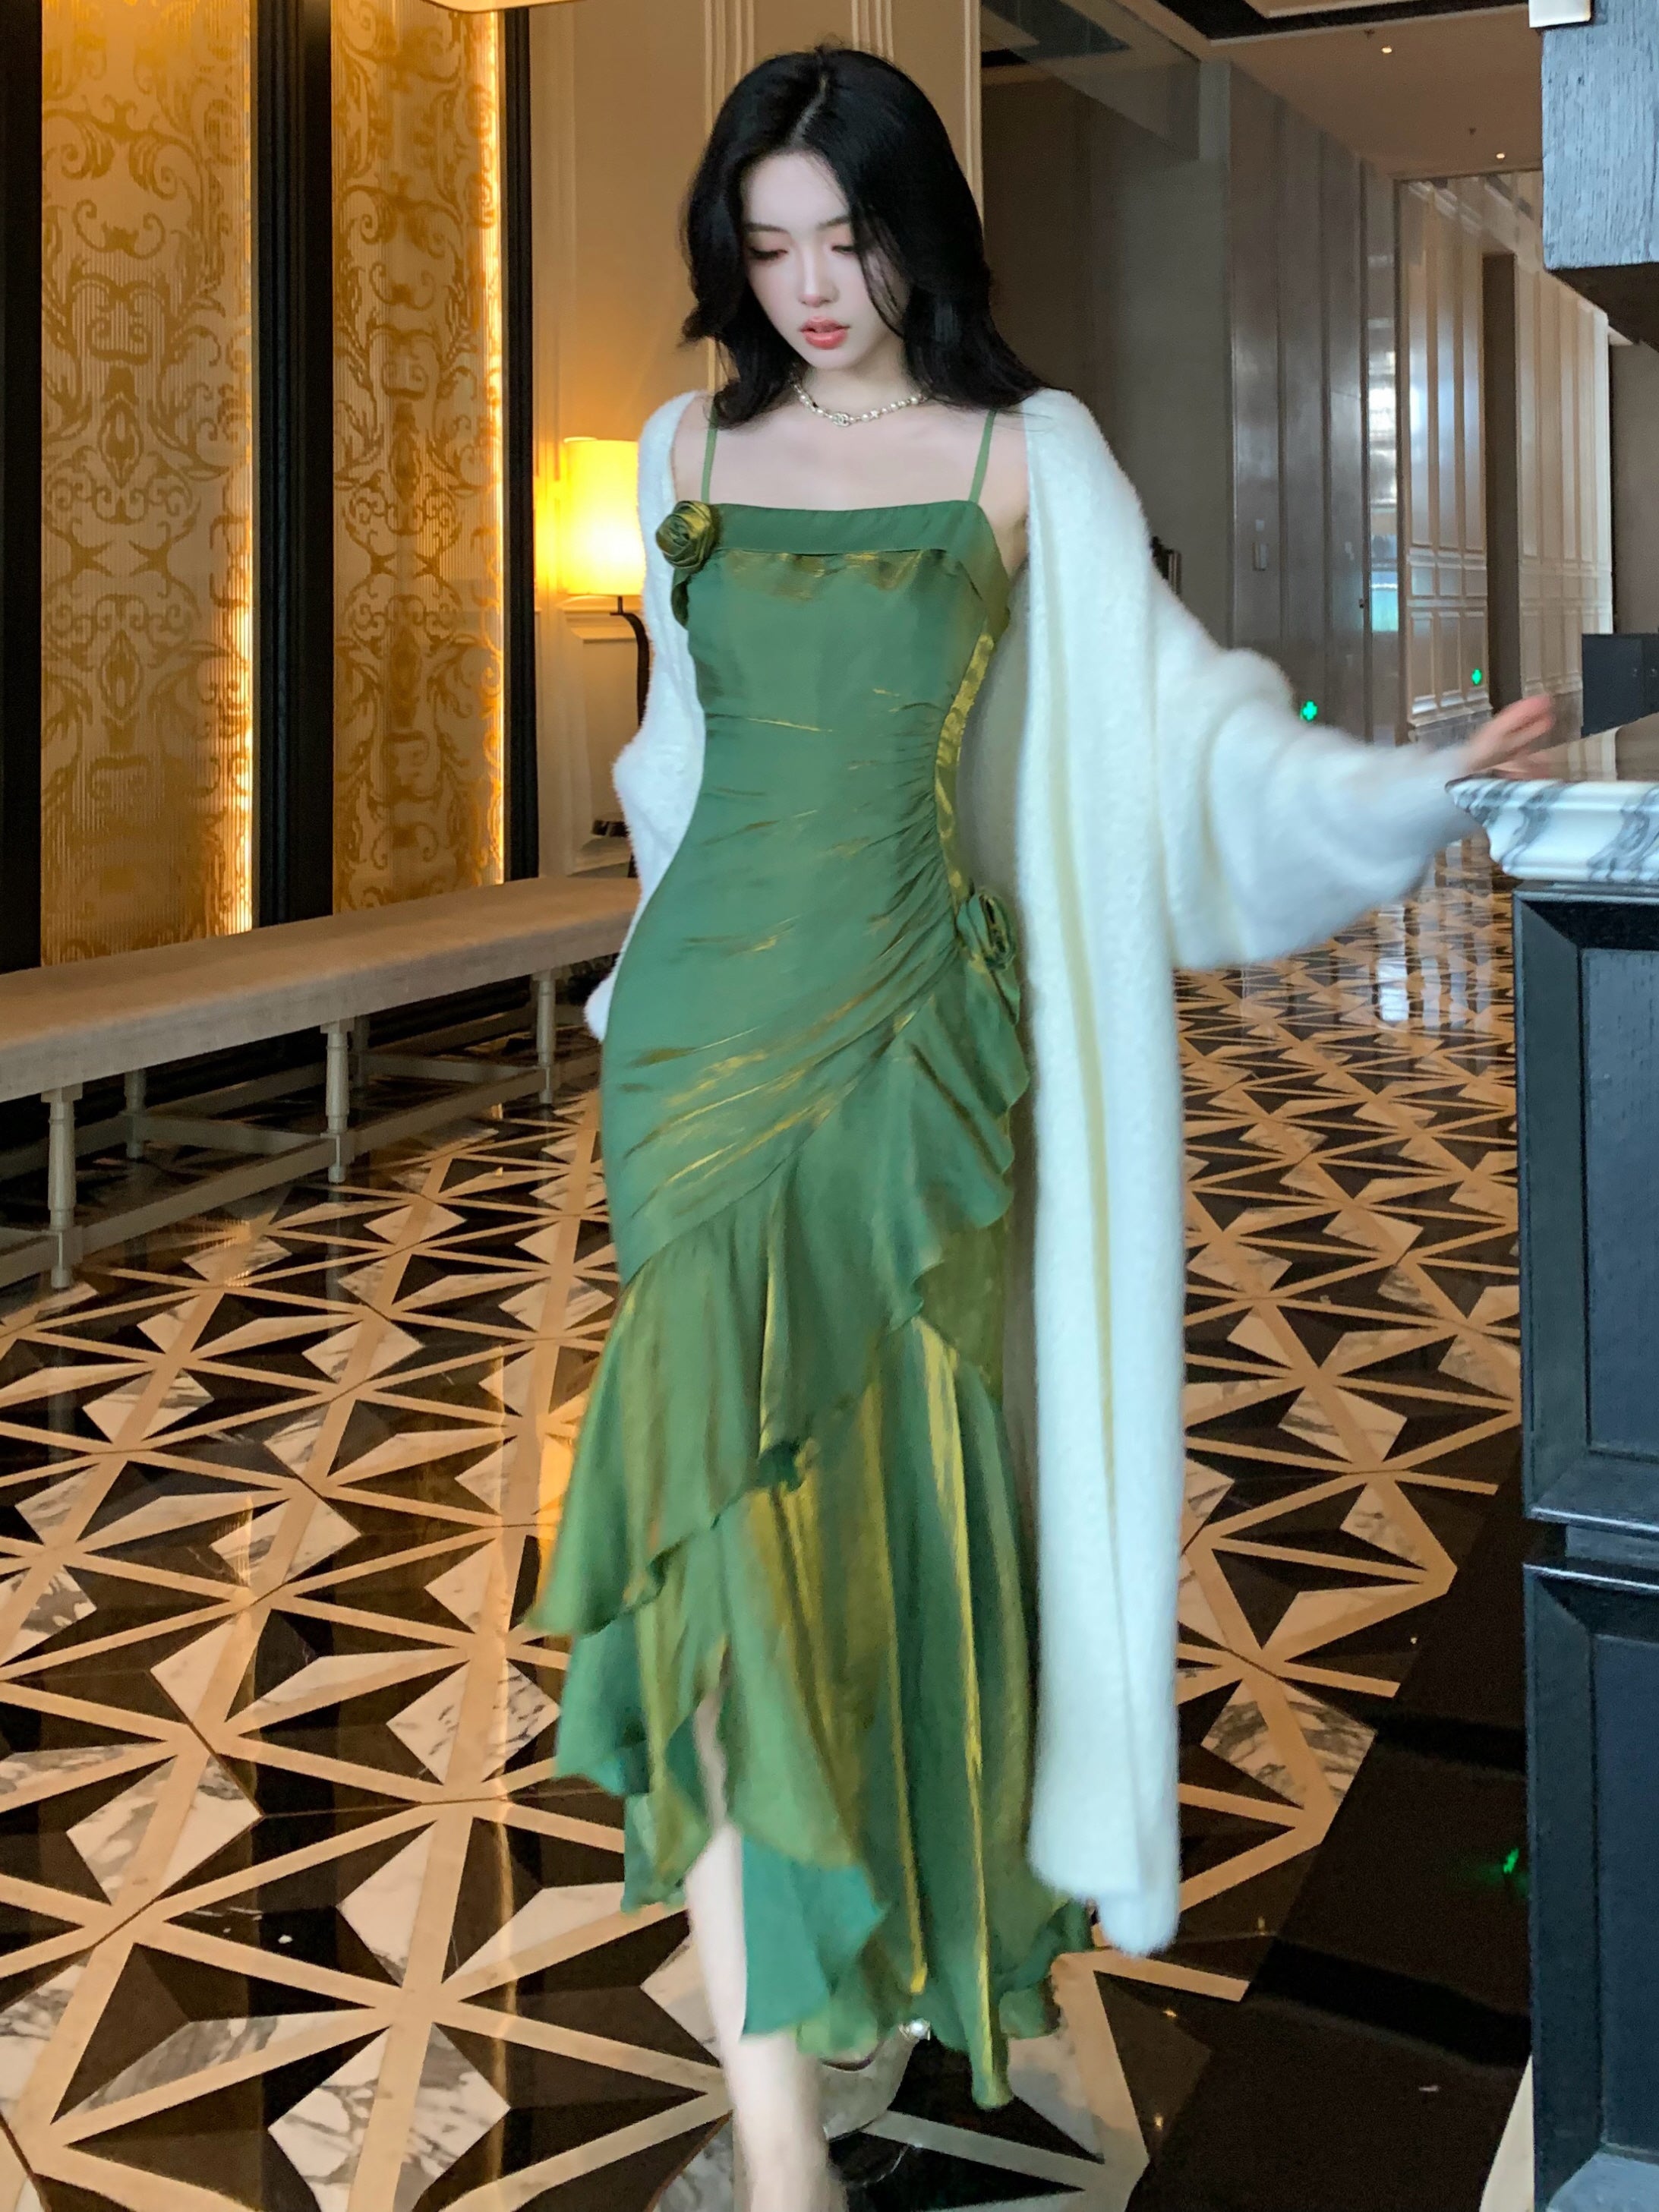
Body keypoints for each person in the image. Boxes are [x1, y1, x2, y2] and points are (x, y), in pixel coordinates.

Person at [527, 43, 1554, 2212]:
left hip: (912, 1053)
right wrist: (632, 1002)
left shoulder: (1024, 455)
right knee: (708, 1548)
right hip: (701, 1055)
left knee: (887, 1528)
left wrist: (1402, 782)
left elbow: (1179, 733)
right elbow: (679, 765)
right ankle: (782, 2147)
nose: (813, 287)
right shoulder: (687, 447)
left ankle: (850, 1979)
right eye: (769, 247)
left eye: (848, 238)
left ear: (917, 233)